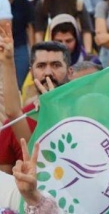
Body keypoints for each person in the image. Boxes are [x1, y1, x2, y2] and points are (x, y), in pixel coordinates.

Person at [0, 41, 72, 174]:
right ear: (31, 72)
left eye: (56, 65)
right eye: (41, 66)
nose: (48, 73)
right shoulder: (14, 124)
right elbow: (5, 183)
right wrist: (7, 59)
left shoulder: (85, 115)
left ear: (70, 72)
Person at [0, 0, 33, 85]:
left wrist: (33, 49)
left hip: (20, 46)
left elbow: (29, 27)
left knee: (19, 81)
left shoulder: (23, 3)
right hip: (2, 46)